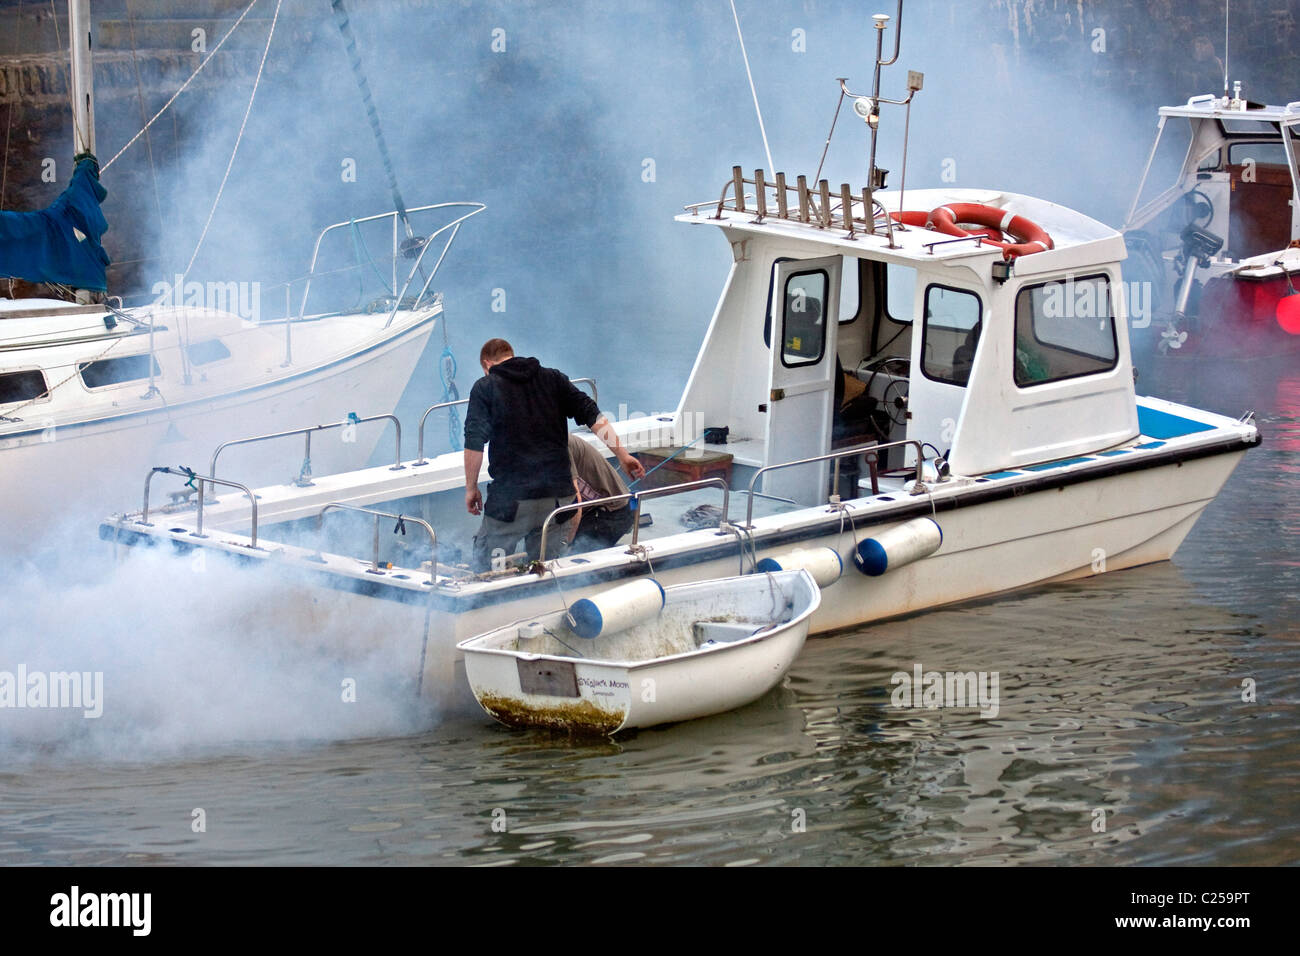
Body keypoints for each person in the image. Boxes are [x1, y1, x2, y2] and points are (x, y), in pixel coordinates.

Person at [463, 338, 645, 571]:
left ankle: (492, 596)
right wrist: (622, 456)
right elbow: (594, 417)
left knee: (487, 565)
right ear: (512, 355)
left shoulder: (485, 387)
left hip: (511, 502)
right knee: (544, 568)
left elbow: (474, 441)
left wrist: (471, 488)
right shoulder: (553, 378)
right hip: (557, 500)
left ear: (487, 364)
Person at [564, 433, 635, 553]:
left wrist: (566, 544)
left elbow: (575, 505)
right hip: (592, 510)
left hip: (613, 512)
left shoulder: (558, 447)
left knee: (572, 555)